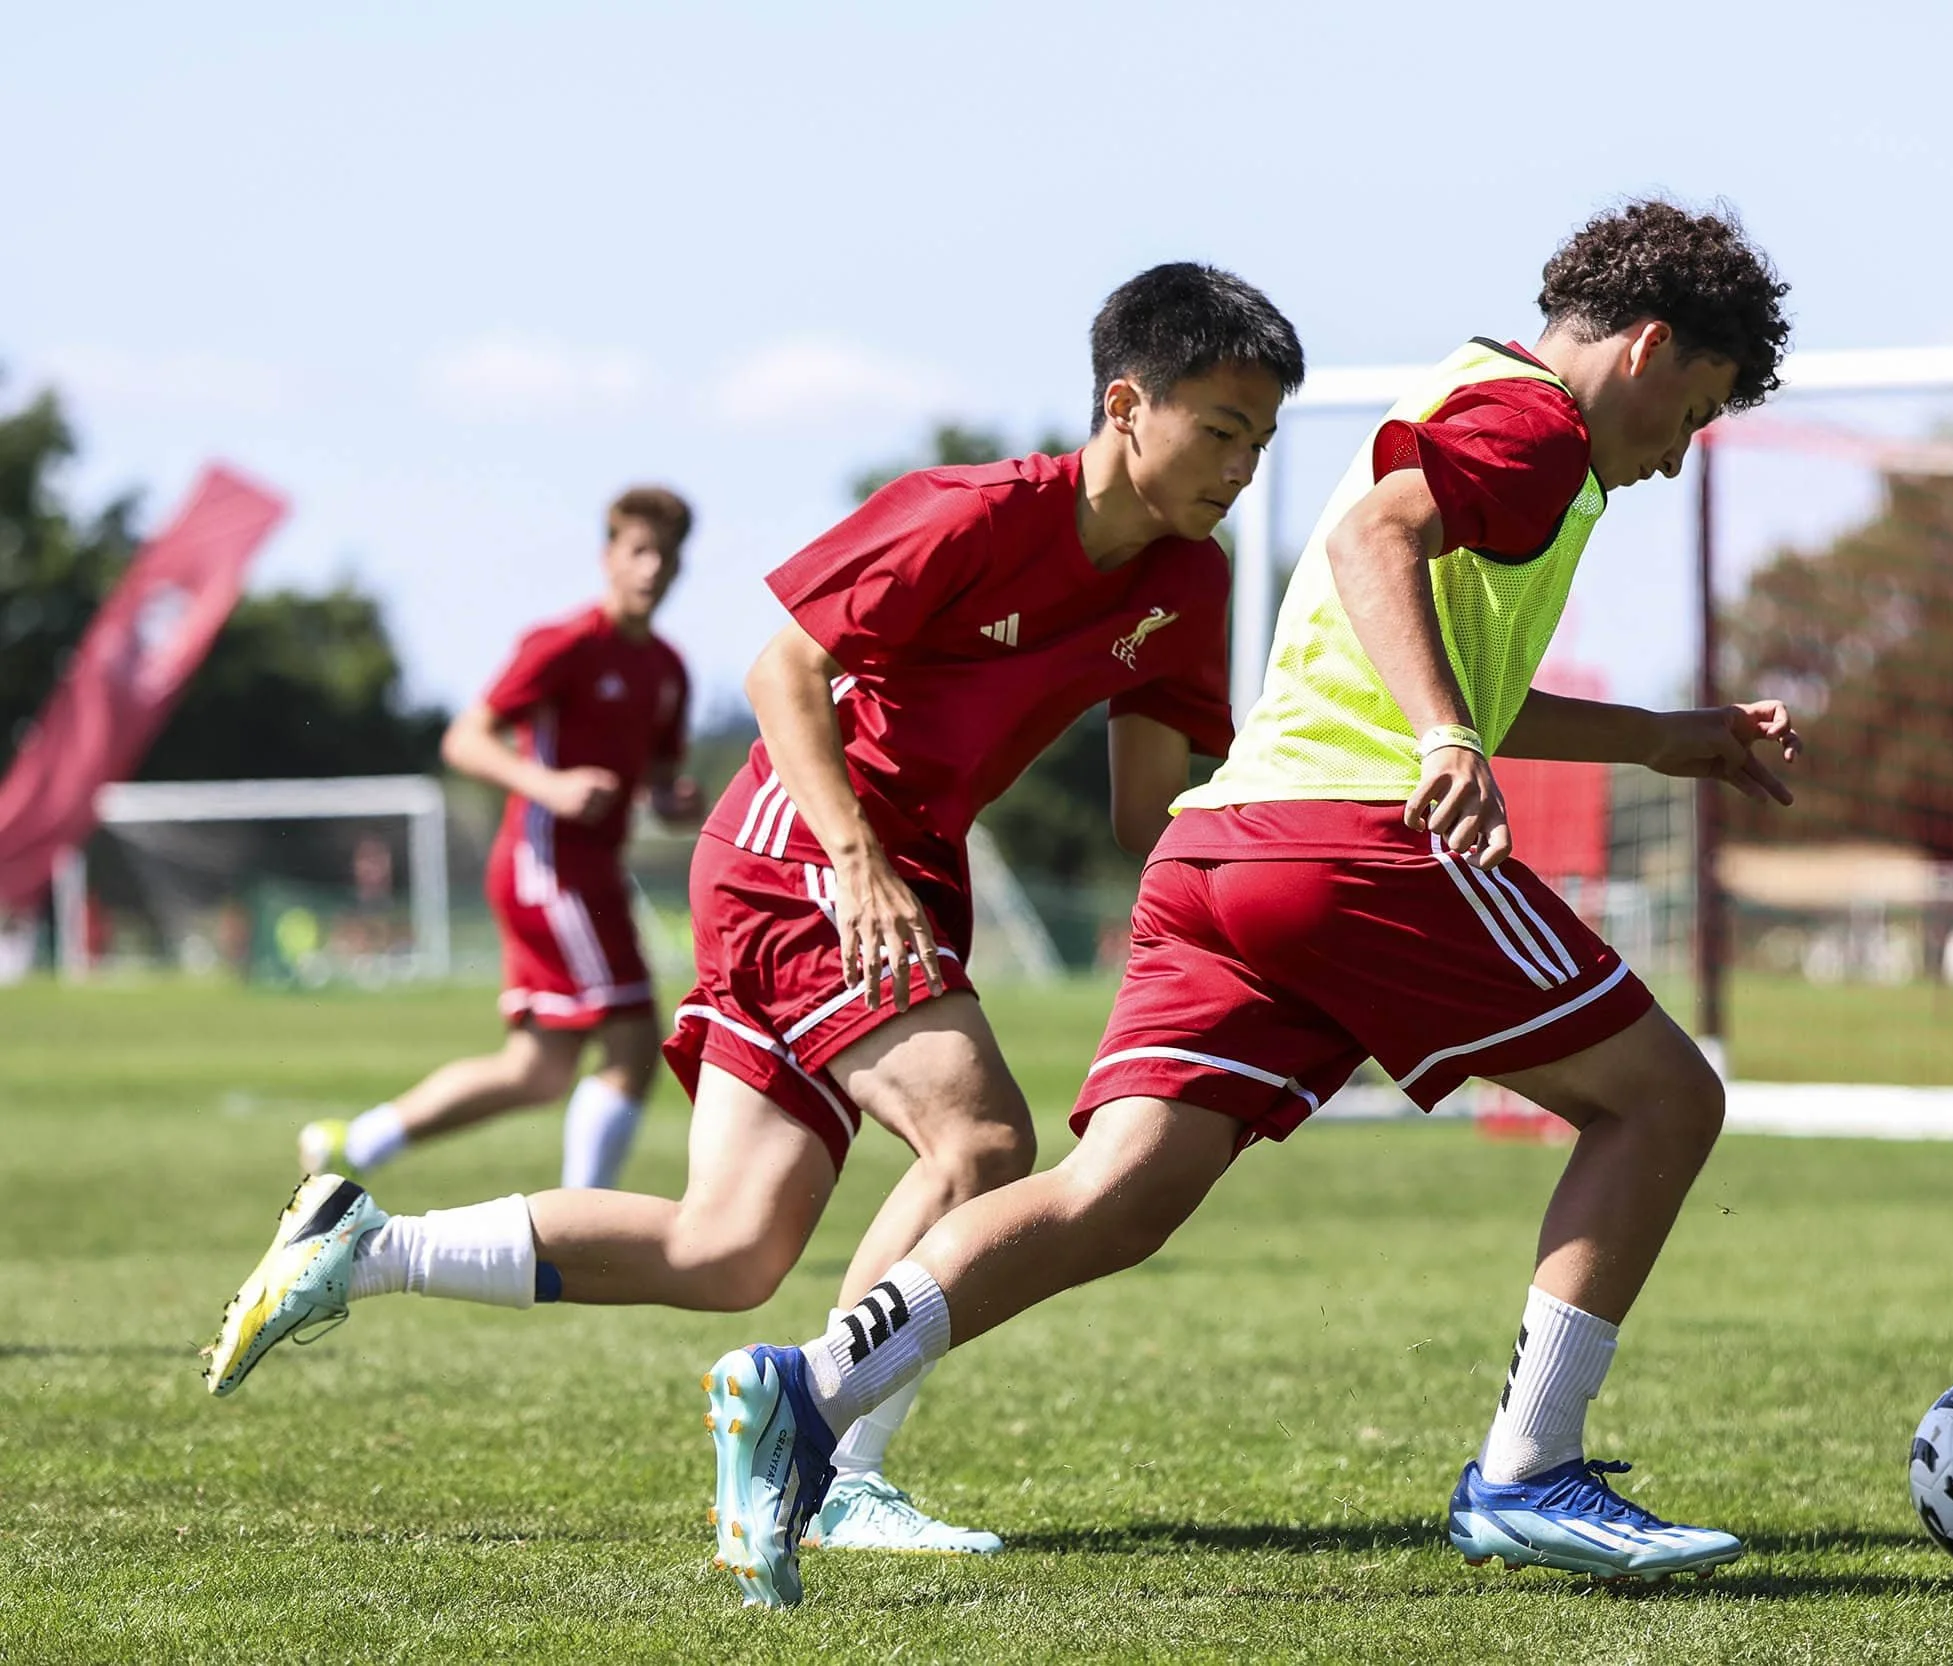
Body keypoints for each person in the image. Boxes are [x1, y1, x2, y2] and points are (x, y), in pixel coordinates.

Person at [703, 198, 1801, 1607]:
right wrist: (1444, 742)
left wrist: (1659, 732)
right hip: (1352, 846)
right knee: (1665, 1099)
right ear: (1647, 349)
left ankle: (805, 1385)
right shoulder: (1539, 429)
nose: (1679, 452)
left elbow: (1448, 650)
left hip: (1218, 853)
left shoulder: (1469, 394)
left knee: (1114, 1195)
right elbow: (1372, 550)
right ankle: (1529, 1471)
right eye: (1696, 409)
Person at [203, 263, 1305, 1561]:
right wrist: (853, 856)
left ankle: (363, 1242)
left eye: (1261, 440)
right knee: (982, 1140)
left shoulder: (1192, 580)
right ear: (1126, 404)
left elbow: (1147, 814)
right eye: (1221, 430)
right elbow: (781, 664)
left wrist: (1317, 809)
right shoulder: (968, 512)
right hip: (809, 849)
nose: (1241, 465)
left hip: (894, 871)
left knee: (725, 1247)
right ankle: (826, 1465)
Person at [297, 487, 702, 1193]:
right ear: (608, 556)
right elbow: (465, 738)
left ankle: (356, 1142)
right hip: (548, 866)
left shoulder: (668, 672)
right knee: (636, 1041)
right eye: (638, 551)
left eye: (666, 556)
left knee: (537, 1072)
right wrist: (548, 786)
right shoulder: (566, 644)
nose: (651, 569)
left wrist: (672, 800)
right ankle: (579, 1220)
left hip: (594, 871)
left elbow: (661, 779)